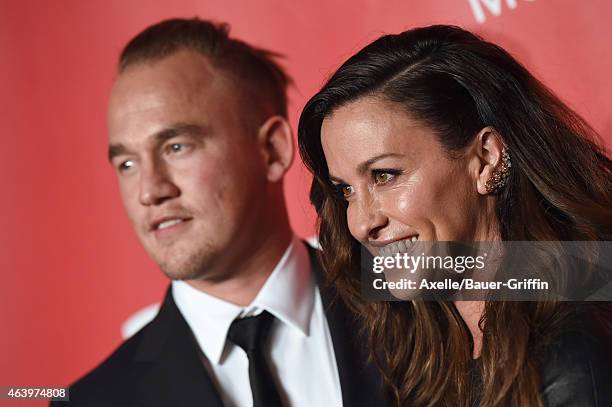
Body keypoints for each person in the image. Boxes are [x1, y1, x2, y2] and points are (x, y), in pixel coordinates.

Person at [52, 18, 386, 407]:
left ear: (273, 150)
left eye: (176, 147)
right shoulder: (90, 401)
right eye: (127, 164)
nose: (149, 191)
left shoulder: (424, 281)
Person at [298, 25, 612, 406]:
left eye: (385, 176)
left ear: (485, 159)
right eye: (345, 190)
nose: (361, 223)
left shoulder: (576, 345)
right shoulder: (423, 353)